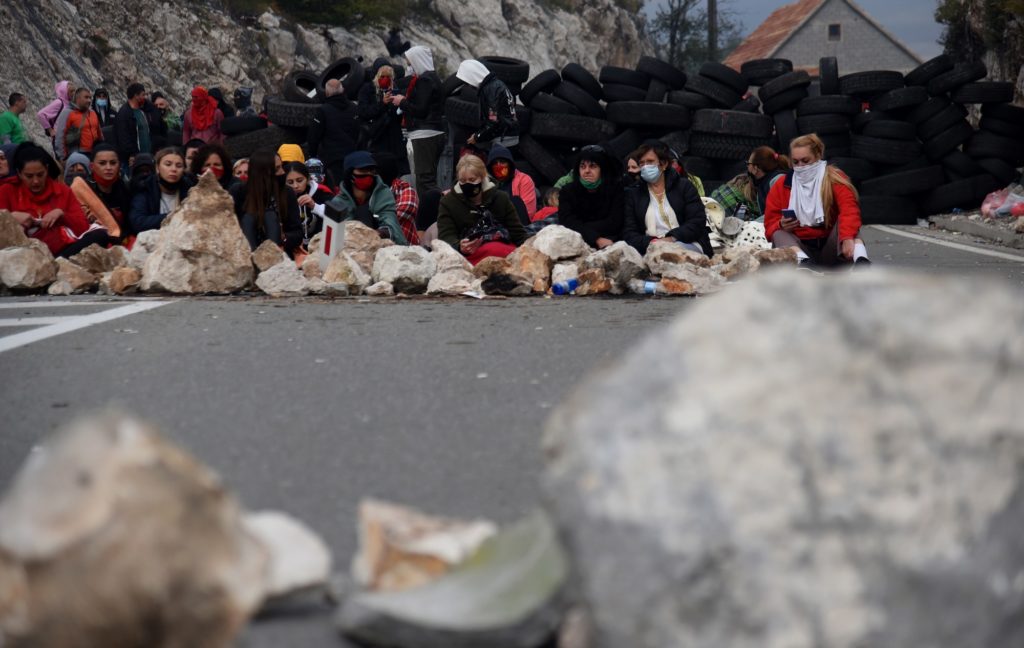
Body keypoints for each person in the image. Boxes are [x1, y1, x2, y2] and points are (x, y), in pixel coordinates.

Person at [764, 134, 870, 268]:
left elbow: (849, 210)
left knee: (850, 226)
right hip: (800, 247)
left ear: (818, 156)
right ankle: (803, 263)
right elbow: (769, 226)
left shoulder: (834, 178)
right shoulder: (781, 185)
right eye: (796, 162)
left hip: (830, 248)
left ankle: (861, 261)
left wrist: (847, 237)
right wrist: (781, 224)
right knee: (778, 232)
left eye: (805, 160)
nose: (801, 166)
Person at [0, 143, 109, 257]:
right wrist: (10, 217)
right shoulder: (7, 191)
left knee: (100, 235)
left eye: (40, 175)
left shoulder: (63, 191)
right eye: (29, 176)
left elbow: (83, 227)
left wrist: (61, 214)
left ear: (47, 170)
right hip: (24, 254)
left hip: (63, 248)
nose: (36, 181)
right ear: (19, 173)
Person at [622, 140, 712, 257]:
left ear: (663, 164)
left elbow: (697, 221)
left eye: (650, 162)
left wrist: (671, 239)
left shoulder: (684, 186)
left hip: (687, 243)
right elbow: (629, 232)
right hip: (650, 248)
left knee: (671, 255)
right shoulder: (633, 194)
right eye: (642, 163)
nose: (645, 167)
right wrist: (652, 242)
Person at [437, 154, 527, 264]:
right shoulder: (448, 202)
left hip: (504, 253)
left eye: (472, 179)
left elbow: (517, 233)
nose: (467, 184)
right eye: (463, 181)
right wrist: (459, 246)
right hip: (469, 257)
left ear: (482, 177)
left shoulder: (500, 198)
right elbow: (446, 236)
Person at [390, 45, 445, 194]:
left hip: (426, 133)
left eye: (410, 63)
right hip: (431, 132)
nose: (409, 67)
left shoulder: (425, 80)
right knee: (428, 178)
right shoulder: (431, 78)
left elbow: (420, 109)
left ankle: (432, 212)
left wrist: (402, 102)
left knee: (424, 180)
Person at [324, 150, 406, 244]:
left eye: (371, 170)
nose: (368, 174)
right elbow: (330, 240)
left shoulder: (383, 193)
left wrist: (379, 233)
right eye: (362, 170)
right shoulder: (337, 202)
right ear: (350, 174)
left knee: (364, 212)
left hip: (383, 247)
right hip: (348, 248)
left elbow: (390, 221)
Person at [229, 149, 303, 254]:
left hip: (279, 252)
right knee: (249, 218)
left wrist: (284, 237)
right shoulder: (239, 191)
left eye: (281, 167)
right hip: (245, 250)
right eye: (277, 169)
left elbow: (297, 233)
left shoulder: (286, 192)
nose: (282, 172)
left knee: (270, 217)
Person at [557, 144, 624, 249]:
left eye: (593, 166)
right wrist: (595, 238)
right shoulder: (567, 191)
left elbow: (615, 222)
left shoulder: (615, 189)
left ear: (603, 170)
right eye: (582, 166)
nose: (587, 171)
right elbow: (567, 222)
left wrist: (582, 227)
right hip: (576, 240)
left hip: (610, 239)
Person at [306, 79, 360, 186]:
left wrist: (312, 155)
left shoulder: (323, 111)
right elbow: (359, 131)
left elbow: (313, 136)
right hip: (353, 157)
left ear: (327, 93)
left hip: (332, 160)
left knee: (336, 191)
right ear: (342, 90)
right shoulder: (354, 108)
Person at [358, 60, 406, 174]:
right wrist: (382, 104)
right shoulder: (367, 90)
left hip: (394, 141)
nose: (385, 79)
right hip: (376, 139)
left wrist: (400, 103)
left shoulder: (396, 89)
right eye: (382, 76)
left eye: (388, 76)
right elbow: (363, 112)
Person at [129, 147, 193, 233]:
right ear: (157, 168)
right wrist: (171, 217)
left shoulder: (190, 190)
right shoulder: (145, 188)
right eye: (168, 164)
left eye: (179, 166)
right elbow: (138, 222)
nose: (173, 169)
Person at [455, 59, 518, 147]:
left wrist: (477, 136)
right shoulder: (496, 84)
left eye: (468, 81)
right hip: (506, 135)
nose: (469, 85)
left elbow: (493, 120)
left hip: (504, 139)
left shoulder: (491, 89)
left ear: (473, 76)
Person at [283, 161, 333, 248]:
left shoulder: (322, 192)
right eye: (290, 182)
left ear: (308, 179)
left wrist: (314, 206)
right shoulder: (282, 196)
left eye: (300, 180)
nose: (295, 186)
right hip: (293, 246)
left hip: (320, 244)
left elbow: (335, 216)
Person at [86, 143, 132, 237]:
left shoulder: (125, 189)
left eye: (113, 163)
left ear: (119, 165)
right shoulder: (84, 190)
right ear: (91, 166)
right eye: (102, 163)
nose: (108, 168)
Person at [374, 152, 419, 245]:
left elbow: (400, 213)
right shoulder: (368, 191)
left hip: (405, 249)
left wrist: (374, 220)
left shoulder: (404, 189)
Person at [487, 145, 536, 222]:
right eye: (495, 163)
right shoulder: (488, 183)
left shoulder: (524, 180)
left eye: (502, 162)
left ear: (510, 163)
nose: (498, 166)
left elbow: (528, 212)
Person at [54, 87, 103, 161]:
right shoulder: (67, 113)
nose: (89, 100)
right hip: (77, 155)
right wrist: (63, 158)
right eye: (86, 97)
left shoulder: (93, 113)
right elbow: (60, 137)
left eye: (90, 98)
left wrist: (103, 148)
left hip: (94, 153)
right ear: (78, 98)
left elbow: (99, 133)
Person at [747, 145, 791, 218]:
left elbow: (780, 213)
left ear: (755, 168)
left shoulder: (777, 180)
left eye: (748, 164)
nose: (748, 167)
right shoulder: (763, 183)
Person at [114, 83, 151, 166]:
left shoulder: (142, 112)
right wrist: (132, 154)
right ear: (136, 96)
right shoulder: (124, 114)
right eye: (143, 95)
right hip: (133, 159)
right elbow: (124, 137)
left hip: (146, 156)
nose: (145, 97)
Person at [36, 81, 72, 148]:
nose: (73, 93)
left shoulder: (69, 103)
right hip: (59, 140)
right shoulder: (59, 102)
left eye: (74, 91)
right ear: (64, 91)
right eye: (71, 91)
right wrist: (50, 130)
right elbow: (41, 114)